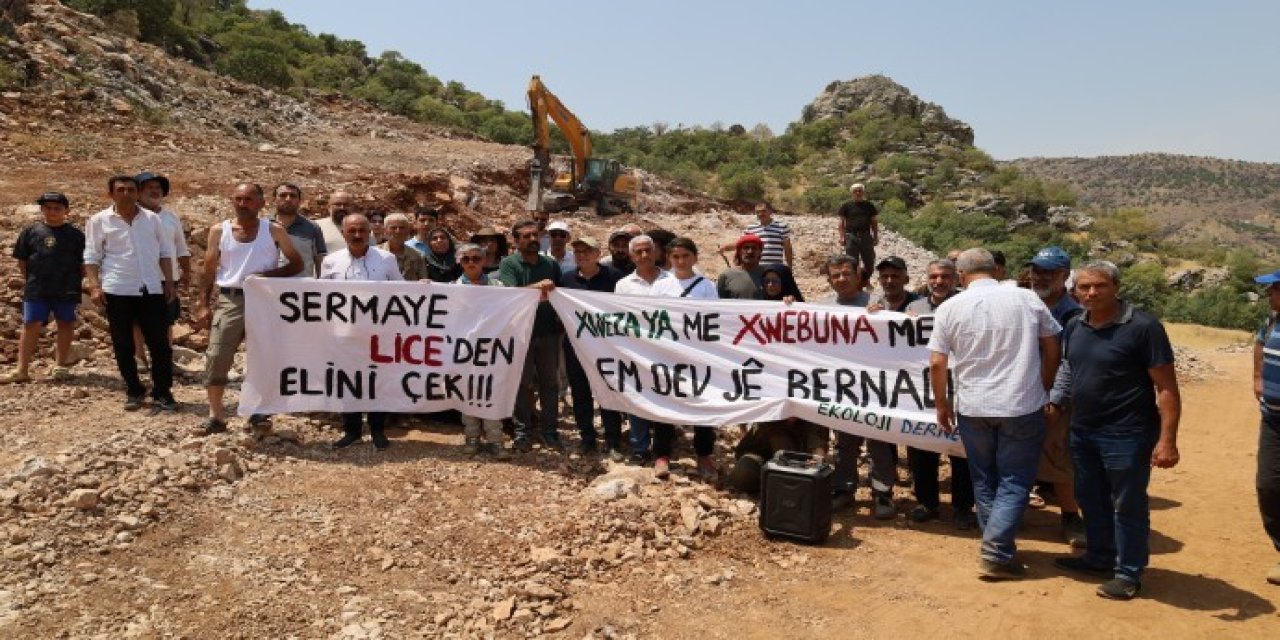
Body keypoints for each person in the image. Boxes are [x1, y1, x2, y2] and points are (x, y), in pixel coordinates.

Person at [1050, 261, 1181, 600]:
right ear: (1074, 291)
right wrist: (1056, 402)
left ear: (1116, 288)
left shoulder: (1144, 328)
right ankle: (1098, 557)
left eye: (1099, 286)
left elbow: (1166, 389)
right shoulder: (1075, 324)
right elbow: (1068, 367)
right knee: (1091, 498)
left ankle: (1128, 573)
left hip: (1128, 434)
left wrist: (1167, 441)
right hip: (1083, 431)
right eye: (1084, 287)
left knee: (1128, 505)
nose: (1091, 293)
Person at [928, 248, 1061, 580]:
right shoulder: (1026, 299)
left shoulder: (949, 307)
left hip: (973, 408)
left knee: (985, 479)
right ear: (996, 271)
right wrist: (1044, 386)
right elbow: (1052, 347)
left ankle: (996, 548)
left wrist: (942, 404)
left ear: (960, 276)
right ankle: (997, 551)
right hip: (1021, 405)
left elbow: (936, 362)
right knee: (1015, 479)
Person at [194, 183, 303, 435]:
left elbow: (296, 264)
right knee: (217, 354)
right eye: (238, 199)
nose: (243, 204)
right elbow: (209, 269)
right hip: (230, 298)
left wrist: (267, 275)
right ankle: (216, 415)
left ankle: (259, 411)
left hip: (264, 299)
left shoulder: (273, 230)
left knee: (263, 355)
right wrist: (202, 303)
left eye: (249, 199)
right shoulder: (218, 231)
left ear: (261, 203)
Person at [83, 175, 177, 411]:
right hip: (117, 289)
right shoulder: (98, 221)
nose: (126, 193)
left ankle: (162, 392)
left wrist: (169, 283)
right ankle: (134, 390)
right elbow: (92, 256)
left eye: (131, 189)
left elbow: (165, 252)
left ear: (137, 193)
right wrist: (94, 286)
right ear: (111, 194)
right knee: (123, 344)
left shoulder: (152, 219)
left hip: (151, 288)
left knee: (160, 345)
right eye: (121, 189)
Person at [820, 255, 897, 519]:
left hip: (875, 386)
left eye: (845, 273)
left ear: (858, 274)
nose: (841, 279)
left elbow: (901, 334)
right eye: (835, 275)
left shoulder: (878, 303)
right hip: (840, 387)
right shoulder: (822, 307)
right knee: (844, 442)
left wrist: (891, 317)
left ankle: (882, 492)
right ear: (829, 280)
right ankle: (844, 490)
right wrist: (788, 308)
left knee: (879, 440)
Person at [321, 213, 404, 450]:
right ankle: (352, 431)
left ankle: (378, 430)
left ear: (370, 232)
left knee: (378, 380)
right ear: (344, 233)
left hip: (379, 333)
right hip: (343, 333)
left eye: (362, 231)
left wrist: (422, 288)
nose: (357, 235)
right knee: (348, 381)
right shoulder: (330, 261)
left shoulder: (387, 259)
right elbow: (320, 296)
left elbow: (401, 290)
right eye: (352, 231)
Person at [903, 259, 975, 528]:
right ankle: (927, 503)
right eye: (933, 277)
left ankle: (962, 508)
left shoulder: (966, 305)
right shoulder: (915, 308)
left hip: (960, 388)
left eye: (945, 276)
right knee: (922, 449)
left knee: (961, 453)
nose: (939, 282)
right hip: (921, 393)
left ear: (955, 278)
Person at [650, 237, 720, 481]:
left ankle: (704, 453)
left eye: (685, 256)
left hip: (697, 356)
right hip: (667, 355)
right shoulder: (660, 285)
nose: (680, 261)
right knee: (665, 402)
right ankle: (662, 455)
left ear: (695, 258)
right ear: (669, 258)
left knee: (701, 401)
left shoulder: (706, 286)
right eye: (676, 257)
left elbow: (715, 318)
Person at [1031, 246, 1087, 547]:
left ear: (1064, 275)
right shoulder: (1025, 304)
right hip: (1022, 393)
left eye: (1048, 272)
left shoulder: (1073, 314)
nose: (1040, 276)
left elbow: (1069, 360)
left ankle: (1070, 516)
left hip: (1056, 398)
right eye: (1036, 270)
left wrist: (1055, 397)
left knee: (1059, 456)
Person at [2, 192, 85, 384]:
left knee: (65, 323)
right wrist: (30, 279)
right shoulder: (31, 232)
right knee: (30, 325)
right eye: (48, 207)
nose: (52, 211)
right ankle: (22, 370)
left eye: (57, 208)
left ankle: (60, 366)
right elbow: (22, 260)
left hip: (66, 288)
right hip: (37, 288)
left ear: (66, 210)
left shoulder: (76, 235)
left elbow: (83, 263)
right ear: (42, 209)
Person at [498, 219, 562, 452]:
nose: (532, 240)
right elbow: (510, 296)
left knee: (550, 385)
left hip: (548, 334)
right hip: (521, 335)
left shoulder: (550, 264)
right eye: (526, 236)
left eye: (535, 235)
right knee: (521, 385)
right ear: (516, 241)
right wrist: (538, 287)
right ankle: (522, 433)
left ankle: (550, 432)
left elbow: (561, 296)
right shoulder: (509, 265)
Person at [559, 235, 625, 459]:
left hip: (606, 347)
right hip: (575, 346)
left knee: (608, 390)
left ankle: (613, 440)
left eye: (587, 251)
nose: (582, 255)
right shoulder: (566, 279)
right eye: (577, 251)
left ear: (598, 254)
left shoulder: (614, 278)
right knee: (580, 392)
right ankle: (587, 438)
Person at [613, 234, 672, 463]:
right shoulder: (623, 285)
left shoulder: (671, 281)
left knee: (664, 395)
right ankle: (639, 447)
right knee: (637, 395)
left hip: (666, 350)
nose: (644, 255)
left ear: (656, 252)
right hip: (636, 350)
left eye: (648, 250)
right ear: (631, 255)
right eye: (638, 251)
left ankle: (663, 448)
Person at [453, 242, 511, 460]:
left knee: (491, 392)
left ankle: (495, 439)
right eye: (466, 259)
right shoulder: (451, 289)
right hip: (464, 351)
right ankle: (472, 436)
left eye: (476, 258)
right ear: (459, 262)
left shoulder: (500, 287)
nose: (471, 263)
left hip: (492, 350)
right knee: (467, 392)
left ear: (485, 261)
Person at [131, 171, 190, 372]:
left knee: (166, 321)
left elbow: (181, 248)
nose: (154, 191)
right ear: (137, 193)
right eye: (149, 188)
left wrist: (186, 273)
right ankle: (140, 358)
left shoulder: (170, 217)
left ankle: (165, 360)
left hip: (167, 278)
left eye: (158, 188)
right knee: (137, 321)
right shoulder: (131, 217)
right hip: (138, 277)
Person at [1253, 268, 1280, 587]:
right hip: (1272, 418)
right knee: (1269, 486)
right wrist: (1257, 378)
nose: (1270, 294)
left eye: (1274, 289)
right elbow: (1260, 344)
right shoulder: (1272, 321)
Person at [270, 182, 326, 278]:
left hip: (300, 289)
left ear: (299, 200)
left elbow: (320, 261)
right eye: (283, 195)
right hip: (267, 288)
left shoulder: (312, 228)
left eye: (293, 196)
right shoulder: (262, 227)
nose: (288, 199)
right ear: (274, 200)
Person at [722, 202, 793, 267]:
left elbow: (788, 248)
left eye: (763, 211)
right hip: (756, 268)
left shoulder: (782, 226)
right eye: (758, 212)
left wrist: (789, 267)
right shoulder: (751, 228)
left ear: (770, 211)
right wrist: (725, 248)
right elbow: (741, 244)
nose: (760, 214)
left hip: (775, 268)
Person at [837, 183, 878, 280]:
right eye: (855, 191)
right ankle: (856, 282)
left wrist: (875, 236)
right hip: (851, 236)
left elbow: (874, 222)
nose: (858, 193)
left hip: (866, 236)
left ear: (863, 192)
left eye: (860, 191)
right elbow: (841, 222)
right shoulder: (846, 206)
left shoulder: (869, 206)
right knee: (852, 261)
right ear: (852, 193)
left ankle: (866, 280)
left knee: (869, 261)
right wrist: (842, 237)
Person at [379, 213, 427, 281]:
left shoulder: (418, 256)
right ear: (385, 230)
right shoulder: (375, 253)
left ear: (408, 231)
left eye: (402, 228)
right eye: (393, 228)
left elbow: (423, 281)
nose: (398, 231)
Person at [316, 190, 355, 254]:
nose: (342, 208)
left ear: (352, 207)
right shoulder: (316, 226)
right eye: (338, 204)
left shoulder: (363, 228)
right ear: (329, 207)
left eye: (346, 205)